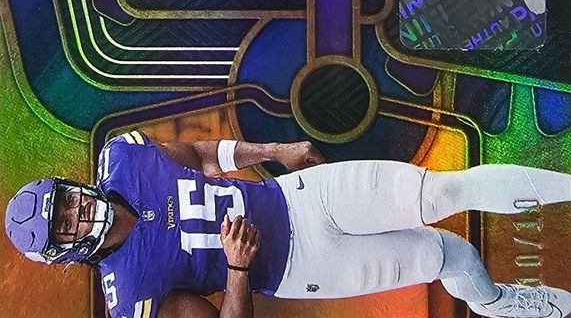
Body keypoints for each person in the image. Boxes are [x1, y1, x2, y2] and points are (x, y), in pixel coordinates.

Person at [5, 131, 571, 318]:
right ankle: (497, 303)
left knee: (442, 190)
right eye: (65, 225)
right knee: (449, 255)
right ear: (64, 251)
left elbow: (199, 155)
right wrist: (237, 270)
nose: (78, 212)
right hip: (304, 266)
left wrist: (276, 150)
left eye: (66, 202)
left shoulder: (121, 157)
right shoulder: (131, 295)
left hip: (299, 196)